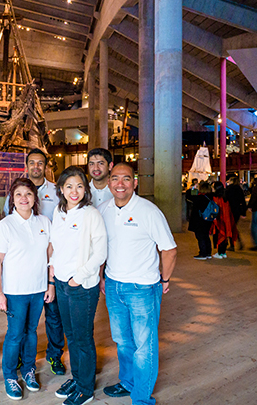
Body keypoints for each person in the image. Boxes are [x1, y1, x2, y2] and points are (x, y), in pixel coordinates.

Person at [99, 163, 177, 405]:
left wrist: (164, 279)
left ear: (135, 183)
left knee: (145, 346)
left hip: (142, 288)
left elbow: (169, 249)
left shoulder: (148, 211)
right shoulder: (103, 209)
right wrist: (102, 276)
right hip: (113, 285)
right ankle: (128, 382)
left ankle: (141, 398)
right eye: (115, 179)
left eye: (126, 179)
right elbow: (101, 246)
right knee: (122, 341)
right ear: (109, 182)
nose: (120, 184)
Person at [0, 177, 55, 400]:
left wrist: (50, 284)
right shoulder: (5, 224)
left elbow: (50, 256)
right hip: (15, 291)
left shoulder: (44, 222)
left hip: (38, 290)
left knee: (31, 332)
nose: (23, 198)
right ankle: (10, 376)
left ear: (34, 198)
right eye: (18, 194)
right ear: (12, 199)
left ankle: (28, 370)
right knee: (15, 334)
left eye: (28, 194)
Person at [4, 148, 66, 375]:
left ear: (46, 166)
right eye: (32, 163)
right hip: (23, 275)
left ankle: (55, 356)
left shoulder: (56, 192)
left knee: (54, 317)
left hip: (50, 266)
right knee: (21, 325)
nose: (36, 167)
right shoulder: (18, 192)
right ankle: (20, 359)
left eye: (41, 163)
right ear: (27, 165)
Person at [50, 166, 107, 405]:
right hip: (62, 283)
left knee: (83, 337)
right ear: (61, 189)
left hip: (82, 286)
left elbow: (100, 252)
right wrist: (55, 274)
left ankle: (86, 389)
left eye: (80, 186)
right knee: (71, 335)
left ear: (86, 189)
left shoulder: (90, 214)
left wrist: (79, 277)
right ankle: (78, 377)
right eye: (70, 186)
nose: (75, 191)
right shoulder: (58, 211)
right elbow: (55, 244)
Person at [189, 181, 214, 260]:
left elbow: (189, 196)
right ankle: (208, 252)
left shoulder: (199, 198)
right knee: (206, 236)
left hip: (199, 220)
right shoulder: (210, 197)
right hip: (208, 219)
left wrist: (192, 189)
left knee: (200, 236)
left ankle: (203, 253)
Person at [225, 175, 246, 250]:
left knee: (231, 228)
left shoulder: (229, 189)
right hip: (237, 210)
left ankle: (232, 244)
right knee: (233, 227)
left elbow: (225, 199)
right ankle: (237, 242)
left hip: (230, 210)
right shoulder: (239, 189)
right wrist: (243, 212)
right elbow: (243, 201)